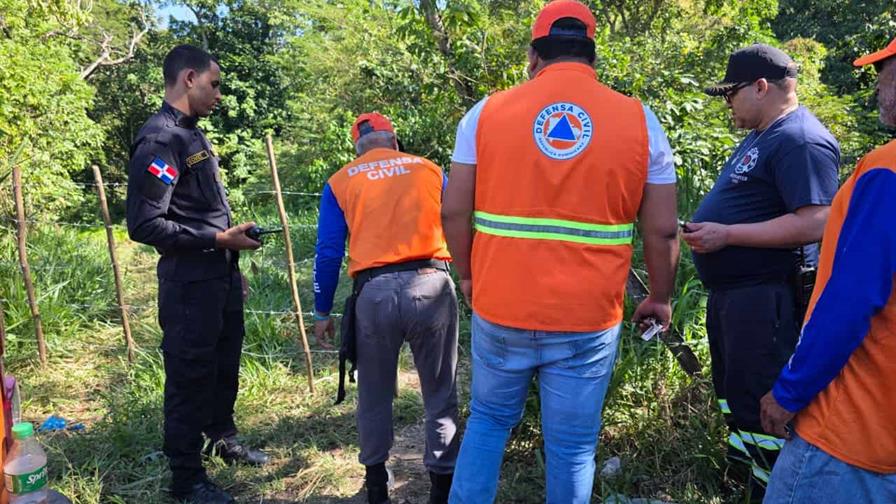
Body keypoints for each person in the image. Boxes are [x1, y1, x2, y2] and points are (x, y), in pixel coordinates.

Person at [441, 1, 680, 502]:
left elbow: (454, 213)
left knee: (486, 422)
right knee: (572, 448)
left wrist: (466, 276)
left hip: (500, 305)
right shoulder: (641, 121)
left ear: (534, 54)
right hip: (587, 316)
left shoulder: (484, 113)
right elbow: (661, 231)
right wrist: (660, 294)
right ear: (592, 54)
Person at [681, 44, 840, 500]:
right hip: (737, 297)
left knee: (760, 401)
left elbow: (817, 221)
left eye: (730, 93)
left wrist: (727, 236)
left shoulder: (801, 140)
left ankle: (774, 491)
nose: (726, 102)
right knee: (736, 395)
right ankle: (745, 482)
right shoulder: (764, 135)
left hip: (766, 297)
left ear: (761, 87)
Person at [126, 44, 269, 504]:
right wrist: (217, 242)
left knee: (223, 367)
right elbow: (145, 224)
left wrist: (230, 260)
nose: (220, 94)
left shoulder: (194, 135)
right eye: (215, 84)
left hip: (218, 277)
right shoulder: (159, 141)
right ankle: (186, 480)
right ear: (189, 79)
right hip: (188, 286)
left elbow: (202, 211)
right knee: (189, 377)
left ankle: (220, 438)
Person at [760, 36, 896, 503]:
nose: (878, 85)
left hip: (850, 434)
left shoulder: (887, 172)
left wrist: (789, 393)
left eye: (886, 73)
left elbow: (852, 302)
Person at [312, 113, 459, 504]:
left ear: (356, 148)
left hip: (373, 294)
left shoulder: (342, 180)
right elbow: (459, 220)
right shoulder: (430, 169)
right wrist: (471, 277)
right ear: (394, 141)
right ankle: (442, 488)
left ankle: (376, 485)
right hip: (431, 284)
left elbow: (327, 252)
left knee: (374, 396)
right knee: (440, 392)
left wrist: (321, 311)